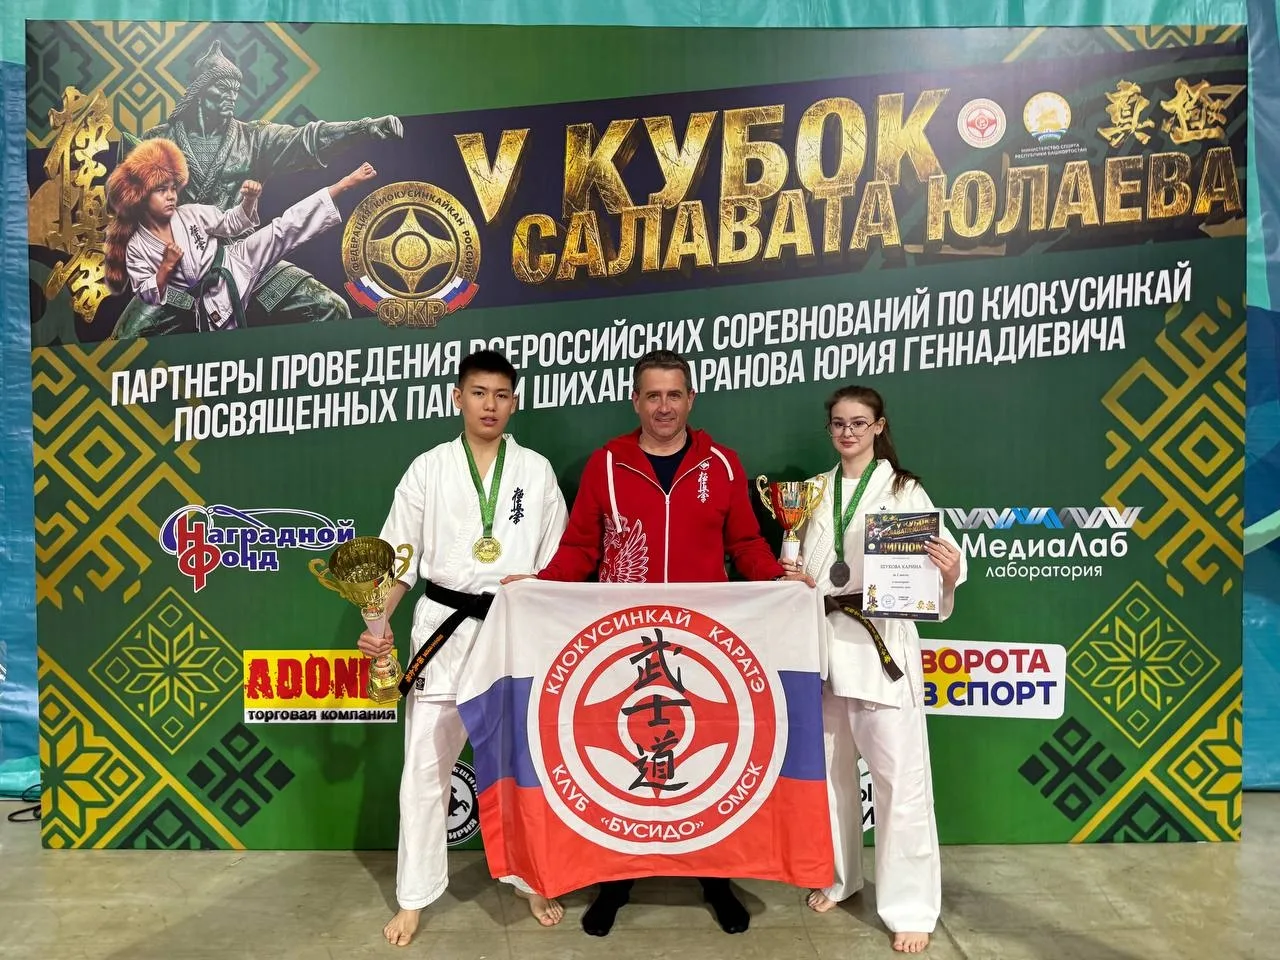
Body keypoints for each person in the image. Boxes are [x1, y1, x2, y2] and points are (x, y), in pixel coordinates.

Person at [503, 349, 815, 937]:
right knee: (627, 761)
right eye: (653, 395)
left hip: (703, 646)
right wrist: (537, 585)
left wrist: (780, 579)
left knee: (705, 766)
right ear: (636, 401)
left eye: (674, 395)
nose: (664, 406)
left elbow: (745, 544)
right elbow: (581, 548)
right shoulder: (607, 464)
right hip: (624, 644)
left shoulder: (722, 464)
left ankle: (716, 879)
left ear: (691, 400)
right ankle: (615, 882)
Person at [357, 350, 571, 946]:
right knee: (425, 768)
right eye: (479, 393)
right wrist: (378, 624)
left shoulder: (536, 472)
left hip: (511, 630)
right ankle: (413, 896)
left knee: (520, 767)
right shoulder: (427, 469)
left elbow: (557, 562)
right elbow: (397, 559)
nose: (490, 405)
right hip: (443, 629)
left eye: (501, 395)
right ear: (458, 398)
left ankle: (529, 879)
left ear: (515, 402)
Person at [781, 385, 965, 955]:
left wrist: (949, 570)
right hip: (823, 643)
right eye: (838, 423)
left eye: (859, 423)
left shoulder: (904, 489)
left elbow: (940, 566)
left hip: (880, 643)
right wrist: (790, 573)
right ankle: (841, 877)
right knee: (831, 774)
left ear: (879, 427)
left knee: (899, 782)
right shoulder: (814, 491)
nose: (848, 433)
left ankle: (910, 906)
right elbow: (799, 557)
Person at [112, 39, 405, 337]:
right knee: (124, 339)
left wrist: (363, 128)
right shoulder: (157, 142)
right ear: (200, 90)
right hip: (179, 270)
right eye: (222, 88)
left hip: (245, 260)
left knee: (330, 307)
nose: (231, 97)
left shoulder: (254, 138)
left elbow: (307, 140)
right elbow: (130, 204)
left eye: (235, 90)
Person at [104, 137, 376, 332]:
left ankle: (342, 185)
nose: (171, 196)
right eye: (161, 190)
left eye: (173, 188)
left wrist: (249, 200)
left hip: (235, 260)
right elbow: (148, 293)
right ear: (140, 197)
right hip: (200, 299)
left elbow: (235, 223)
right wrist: (165, 267)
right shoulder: (137, 246)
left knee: (282, 229)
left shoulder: (190, 213)